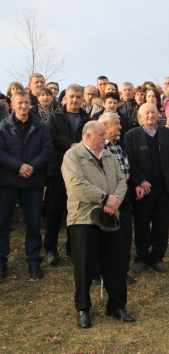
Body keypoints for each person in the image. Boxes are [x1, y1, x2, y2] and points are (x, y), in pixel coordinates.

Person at [61, 121, 135, 328]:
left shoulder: (109, 155)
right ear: (87, 136)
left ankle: (116, 306)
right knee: (84, 265)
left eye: (105, 134)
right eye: (101, 134)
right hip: (84, 218)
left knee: (117, 262)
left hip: (110, 216)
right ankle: (83, 308)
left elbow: (122, 181)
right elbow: (76, 185)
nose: (105, 137)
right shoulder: (72, 156)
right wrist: (104, 198)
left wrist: (115, 200)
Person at [124, 103, 169, 273]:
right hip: (143, 190)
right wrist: (140, 180)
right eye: (146, 113)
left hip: (164, 187)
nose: (150, 115)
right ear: (140, 116)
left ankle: (158, 258)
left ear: (158, 115)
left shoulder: (167, 133)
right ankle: (141, 258)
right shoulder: (130, 135)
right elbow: (129, 162)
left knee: (161, 225)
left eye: (153, 112)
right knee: (141, 225)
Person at [0, 91, 53, 282]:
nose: (23, 106)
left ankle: (33, 261)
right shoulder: (3, 126)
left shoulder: (41, 127)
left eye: (26, 103)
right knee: (2, 223)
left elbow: (48, 150)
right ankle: (1, 262)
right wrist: (19, 166)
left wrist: (31, 166)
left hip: (33, 180)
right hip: (8, 181)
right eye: (19, 103)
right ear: (12, 105)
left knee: (33, 223)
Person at [44, 85, 92, 265]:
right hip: (57, 169)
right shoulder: (55, 117)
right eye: (71, 96)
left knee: (76, 210)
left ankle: (72, 248)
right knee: (55, 208)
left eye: (78, 97)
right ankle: (50, 248)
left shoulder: (88, 119)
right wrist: (73, 145)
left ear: (82, 99)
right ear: (65, 98)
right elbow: (52, 136)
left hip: (81, 171)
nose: (74, 100)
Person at [98, 112, 143, 285]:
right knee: (108, 236)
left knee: (124, 235)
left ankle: (122, 271)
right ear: (105, 126)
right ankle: (102, 272)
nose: (120, 127)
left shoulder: (120, 144)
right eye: (116, 124)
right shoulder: (99, 148)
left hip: (124, 198)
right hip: (108, 199)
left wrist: (136, 184)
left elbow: (128, 169)